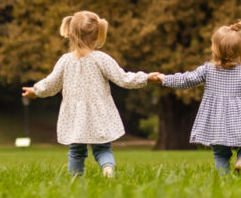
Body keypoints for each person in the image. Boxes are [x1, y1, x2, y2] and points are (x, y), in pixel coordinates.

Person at [22, 10, 151, 177]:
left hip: (74, 117)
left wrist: (35, 91)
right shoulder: (101, 59)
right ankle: (107, 168)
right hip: (99, 114)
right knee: (103, 148)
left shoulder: (65, 60)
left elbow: (51, 84)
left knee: (76, 152)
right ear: (97, 35)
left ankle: (76, 180)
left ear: (71, 34)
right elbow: (124, 78)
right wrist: (146, 77)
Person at [149, 20, 241, 174]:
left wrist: (165, 79)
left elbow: (186, 80)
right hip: (240, 120)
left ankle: (223, 180)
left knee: (220, 154)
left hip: (215, 122)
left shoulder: (207, 70)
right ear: (240, 50)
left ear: (215, 49)